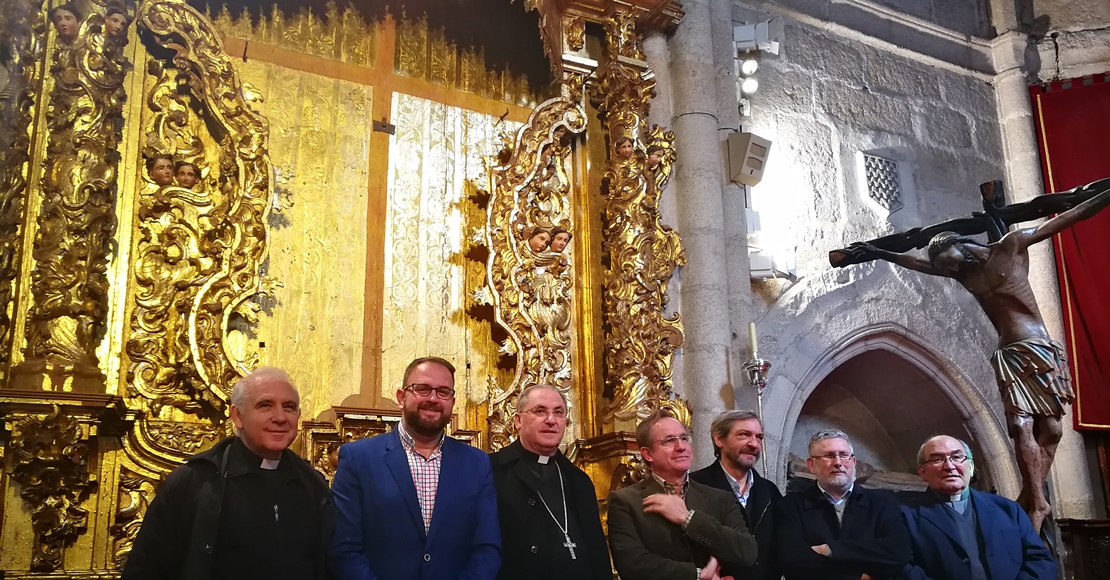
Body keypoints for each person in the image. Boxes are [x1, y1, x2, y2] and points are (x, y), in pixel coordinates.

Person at [850, 180, 1110, 532]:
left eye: (949, 262)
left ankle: (1030, 498)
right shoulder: (963, 272)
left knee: (1050, 428)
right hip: (1008, 353)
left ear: (960, 245)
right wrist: (879, 252)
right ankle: (1037, 501)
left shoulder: (1011, 246)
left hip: (1038, 348)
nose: (950, 270)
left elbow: (1068, 217)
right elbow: (917, 263)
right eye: (944, 266)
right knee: (1019, 426)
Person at [121, 367, 335, 580]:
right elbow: (146, 567)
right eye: (265, 405)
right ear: (237, 416)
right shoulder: (193, 482)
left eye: (289, 407)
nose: (280, 417)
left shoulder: (313, 485)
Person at [330, 356, 500, 580]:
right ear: (401, 397)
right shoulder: (358, 458)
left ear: (452, 401)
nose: (433, 398)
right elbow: (345, 548)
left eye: (443, 392)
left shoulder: (476, 463)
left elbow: (487, 548)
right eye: (422, 389)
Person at [608, 408, 758, 580]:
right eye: (669, 441)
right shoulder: (625, 501)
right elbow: (632, 564)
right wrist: (699, 575)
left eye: (684, 439)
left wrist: (689, 519)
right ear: (647, 454)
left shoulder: (720, 498)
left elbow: (747, 552)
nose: (681, 447)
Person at [489, 384, 610, 580]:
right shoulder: (491, 471)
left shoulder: (578, 480)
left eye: (559, 412)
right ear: (518, 420)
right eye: (540, 411)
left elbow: (597, 553)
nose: (551, 420)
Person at [900, 435, 1057, 580]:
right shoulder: (903, 517)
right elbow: (902, 569)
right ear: (922, 472)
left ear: (970, 467)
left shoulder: (1008, 510)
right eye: (937, 459)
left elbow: (1040, 559)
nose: (949, 466)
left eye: (957, 457)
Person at [774, 429, 909, 580]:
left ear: (853, 462)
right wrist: (858, 576)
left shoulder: (884, 504)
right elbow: (792, 561)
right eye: (829, 456)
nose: (838, 462)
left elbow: (898, 552)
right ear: (811, 465)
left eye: (844, 455)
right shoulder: (791, 506)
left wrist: (830, 550)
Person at [691, 410, 782, 580]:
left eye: (759, 437)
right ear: (719, 439)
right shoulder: (696, 486)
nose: (754, 444)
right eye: (744, 435)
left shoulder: (770, 491)